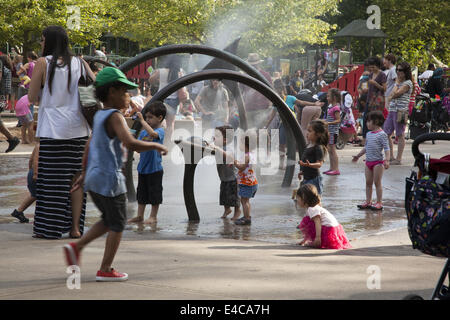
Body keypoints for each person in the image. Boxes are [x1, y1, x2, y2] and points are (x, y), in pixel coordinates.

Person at [64, 67, 168, 282]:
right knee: (118, 222)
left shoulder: (100, 116)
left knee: (109, 219)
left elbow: (89, 145)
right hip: (109, 179)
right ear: (112, 92)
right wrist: (156, 147)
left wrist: (84, 172)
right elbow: (130, 144)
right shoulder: (115, 116)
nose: (129, 97)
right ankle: (105, 268)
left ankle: (77, 247)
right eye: (125, 92)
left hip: (95, 177)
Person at [28, 26, 94, 239]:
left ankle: (51, 229)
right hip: (79, 129)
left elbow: (30, 97)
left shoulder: (43, 63)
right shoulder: (81, 63)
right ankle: (75, 228)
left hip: (53, 130)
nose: (40, 43)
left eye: (42, 39)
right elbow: (95, 86)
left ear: (49, 41)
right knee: (76, 178)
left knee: (51, 180)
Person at [127, 101, 166, 224]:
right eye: (146, 117)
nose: (147, 120)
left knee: (155, 194)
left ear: (160, 118)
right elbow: (138, 148)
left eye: (150, 117)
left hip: (155, 169)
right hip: (143, 168)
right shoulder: (143, 133)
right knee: (142, 194)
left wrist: (142, 121)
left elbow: (153, 134)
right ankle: (140, 215)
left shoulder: (160, 131)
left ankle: (153, 216)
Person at [352, 111, 390, 210]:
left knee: (377, 182)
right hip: (368, 162)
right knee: (368, 183)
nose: (367, 123)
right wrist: (358, 156)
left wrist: (387, 160)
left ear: (376, 121)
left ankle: (379, 202)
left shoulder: (382, 134)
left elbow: (387, 148)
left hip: (378, 162)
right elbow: (366, 147)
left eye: (369, 121)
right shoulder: (368, 134)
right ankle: (368, 201)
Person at [296, 184, 351, 249]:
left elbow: (317, 223)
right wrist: (304, 240)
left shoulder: (312, 209)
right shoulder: (315, 207)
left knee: (307, 221)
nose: (297, 200)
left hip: (328, 231)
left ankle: (317, 241)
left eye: (298, 198)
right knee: (308, 220)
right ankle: (308, 240)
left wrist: (318, 237)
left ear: (304, 198)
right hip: (334, 230)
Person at [384, 62, 413, 165]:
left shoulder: (408, 83)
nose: (398, 72)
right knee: (386, 133)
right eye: (397, 70)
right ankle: (390, 156)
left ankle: (398, 158)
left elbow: (395, 94)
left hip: (401, 111)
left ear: (405, 72)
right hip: (392, 110)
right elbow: (391, 95)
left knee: (399, 134)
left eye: (400, 70)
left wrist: (396, 84)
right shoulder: (399, 82)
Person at [211, 125, 241, 220]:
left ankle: (237, 211)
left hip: (233, 178)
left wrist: (217, 148)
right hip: (224, 177)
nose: (214, 137)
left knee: (235, 197)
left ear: (225, 140)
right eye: (214, 135)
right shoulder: (219, 147)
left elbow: (229, 157)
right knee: (224, 195)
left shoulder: (228, 148)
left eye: (217, 136)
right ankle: (227, 209)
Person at [241, 53, 273, 129]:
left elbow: (271, 92)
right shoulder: (244, 75)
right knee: (249, 133)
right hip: (248, 109)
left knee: (261, 133)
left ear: (258, 63)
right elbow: (241, 92)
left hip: (262, 109)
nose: (253, 66)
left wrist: (270, 106)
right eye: (251, 64)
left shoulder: (266, 75)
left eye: (254, 64)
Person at [10, 142, 39, 223]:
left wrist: (30, 171)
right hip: (37, 173)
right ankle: (19, 211)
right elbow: (36, 160)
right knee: (37, 195)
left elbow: (31, 160)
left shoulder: (37, 145)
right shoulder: (41, 146)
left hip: (31, 172)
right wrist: (35, 174)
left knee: (34, 195)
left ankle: (18, 211)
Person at [233, 131, 258, 226]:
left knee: (244, 201)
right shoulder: (251, 154)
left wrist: (235, 162)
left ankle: (247, 219)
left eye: (241, 143)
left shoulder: (247, 156)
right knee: (246, 200)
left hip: (247, 183)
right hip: (251, 181)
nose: (239, 145)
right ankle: (247, 216)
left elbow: (242, 167)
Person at [298, 120, 328, 195]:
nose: (307, 133)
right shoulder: (308, 146)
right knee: (307, 200)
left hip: (314, 179)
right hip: (306, 178)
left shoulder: (318, 147)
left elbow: (319, 164)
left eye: (310, 131)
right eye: (307, 130)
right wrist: (302, 172)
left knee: (315, 200)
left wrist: (309, 165)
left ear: (318, 134)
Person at [363, 56, 386, 141]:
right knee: (366, 118)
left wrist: (375, 83)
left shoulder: (382, 74)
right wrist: (367, 89)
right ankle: (365, 138)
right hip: (370, 99)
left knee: (376, 118)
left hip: (377, 101)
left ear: (378, 65)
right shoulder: (371, 74)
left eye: (373, 67)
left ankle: (378, 137)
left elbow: (384, 88)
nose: (371, 68)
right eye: (370, 67)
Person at [0, 55, 20, 152]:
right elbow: (7, 88)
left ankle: (12, 139)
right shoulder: (8, 71)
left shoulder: (3, 71)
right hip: (3, 98)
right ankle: (12, 139)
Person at [323, 88, 341, 175]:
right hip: (329, 132)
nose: (327, 98)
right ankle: (332, 168)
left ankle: (336, 168)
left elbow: (338, 120)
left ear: (334, 97)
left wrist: (328, 123)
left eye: (328, 96)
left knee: (333, 150)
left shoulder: (336, 108)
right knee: (330, 150)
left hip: (333, 132)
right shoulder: (331, 107)